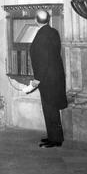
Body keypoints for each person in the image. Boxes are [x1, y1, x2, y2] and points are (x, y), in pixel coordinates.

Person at [29, 10, 68, 148]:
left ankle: (56, 140)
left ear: (35, 20)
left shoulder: (42, 35)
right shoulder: (53, 32)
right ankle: (53, 136)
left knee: (50, 108)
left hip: (47, 78)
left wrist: (38, 79)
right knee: (51, 108)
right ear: (48, 19)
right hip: (54, 76)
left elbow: (43, 60)